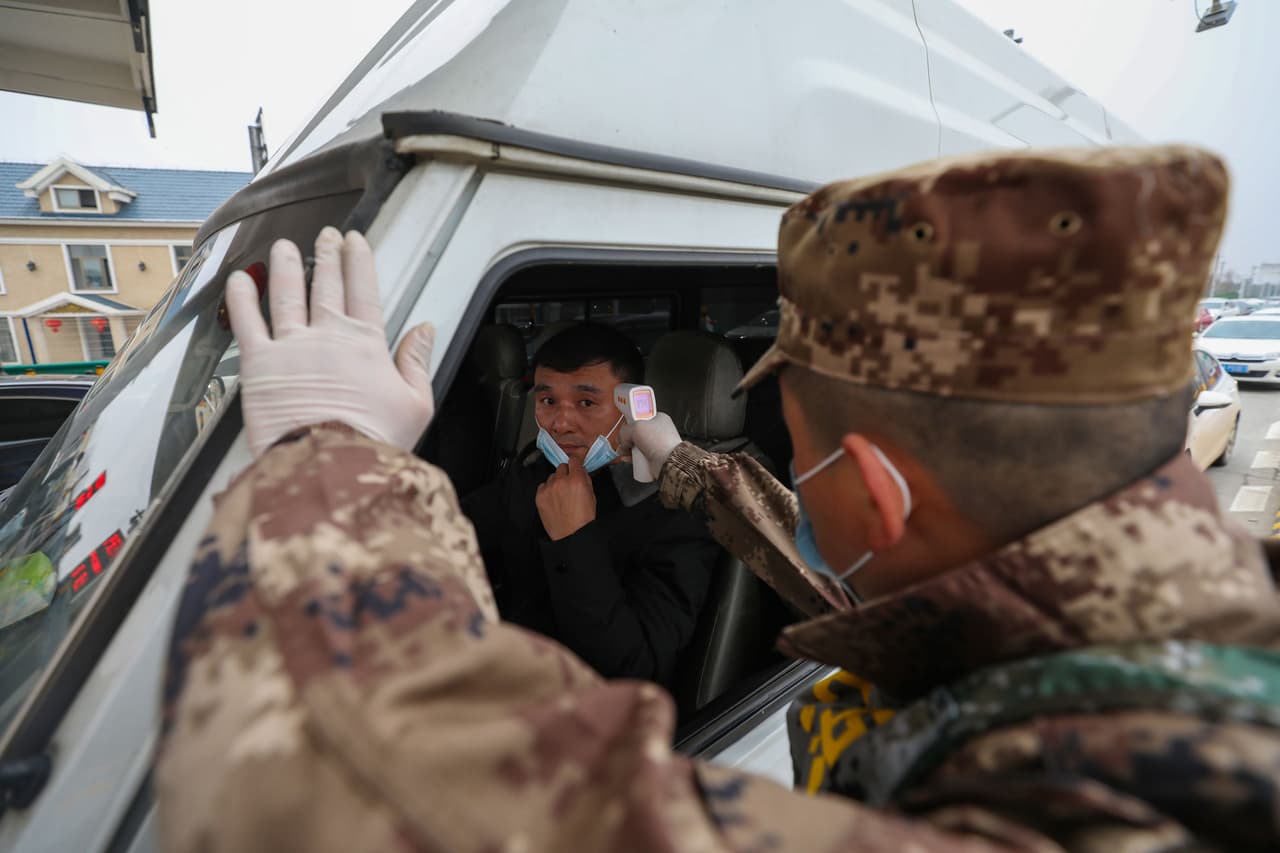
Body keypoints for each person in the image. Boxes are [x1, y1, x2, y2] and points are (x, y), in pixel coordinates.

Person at [158, 146, 1280, 853]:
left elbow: (347, 787)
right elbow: (796, 549)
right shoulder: (1152, 656)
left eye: (798, 451)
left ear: (877, 495)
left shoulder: (1080, 808)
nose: (789, 483)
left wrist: (324, 459)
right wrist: (687, 465)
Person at [460, 323, 718, 685]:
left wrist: (574, 539)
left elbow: (634, 669)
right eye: (548, 401)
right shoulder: (536, 473)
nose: (560, 424)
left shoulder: (675, 513)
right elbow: (452, 527)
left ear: (631, 409)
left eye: (586, 403)